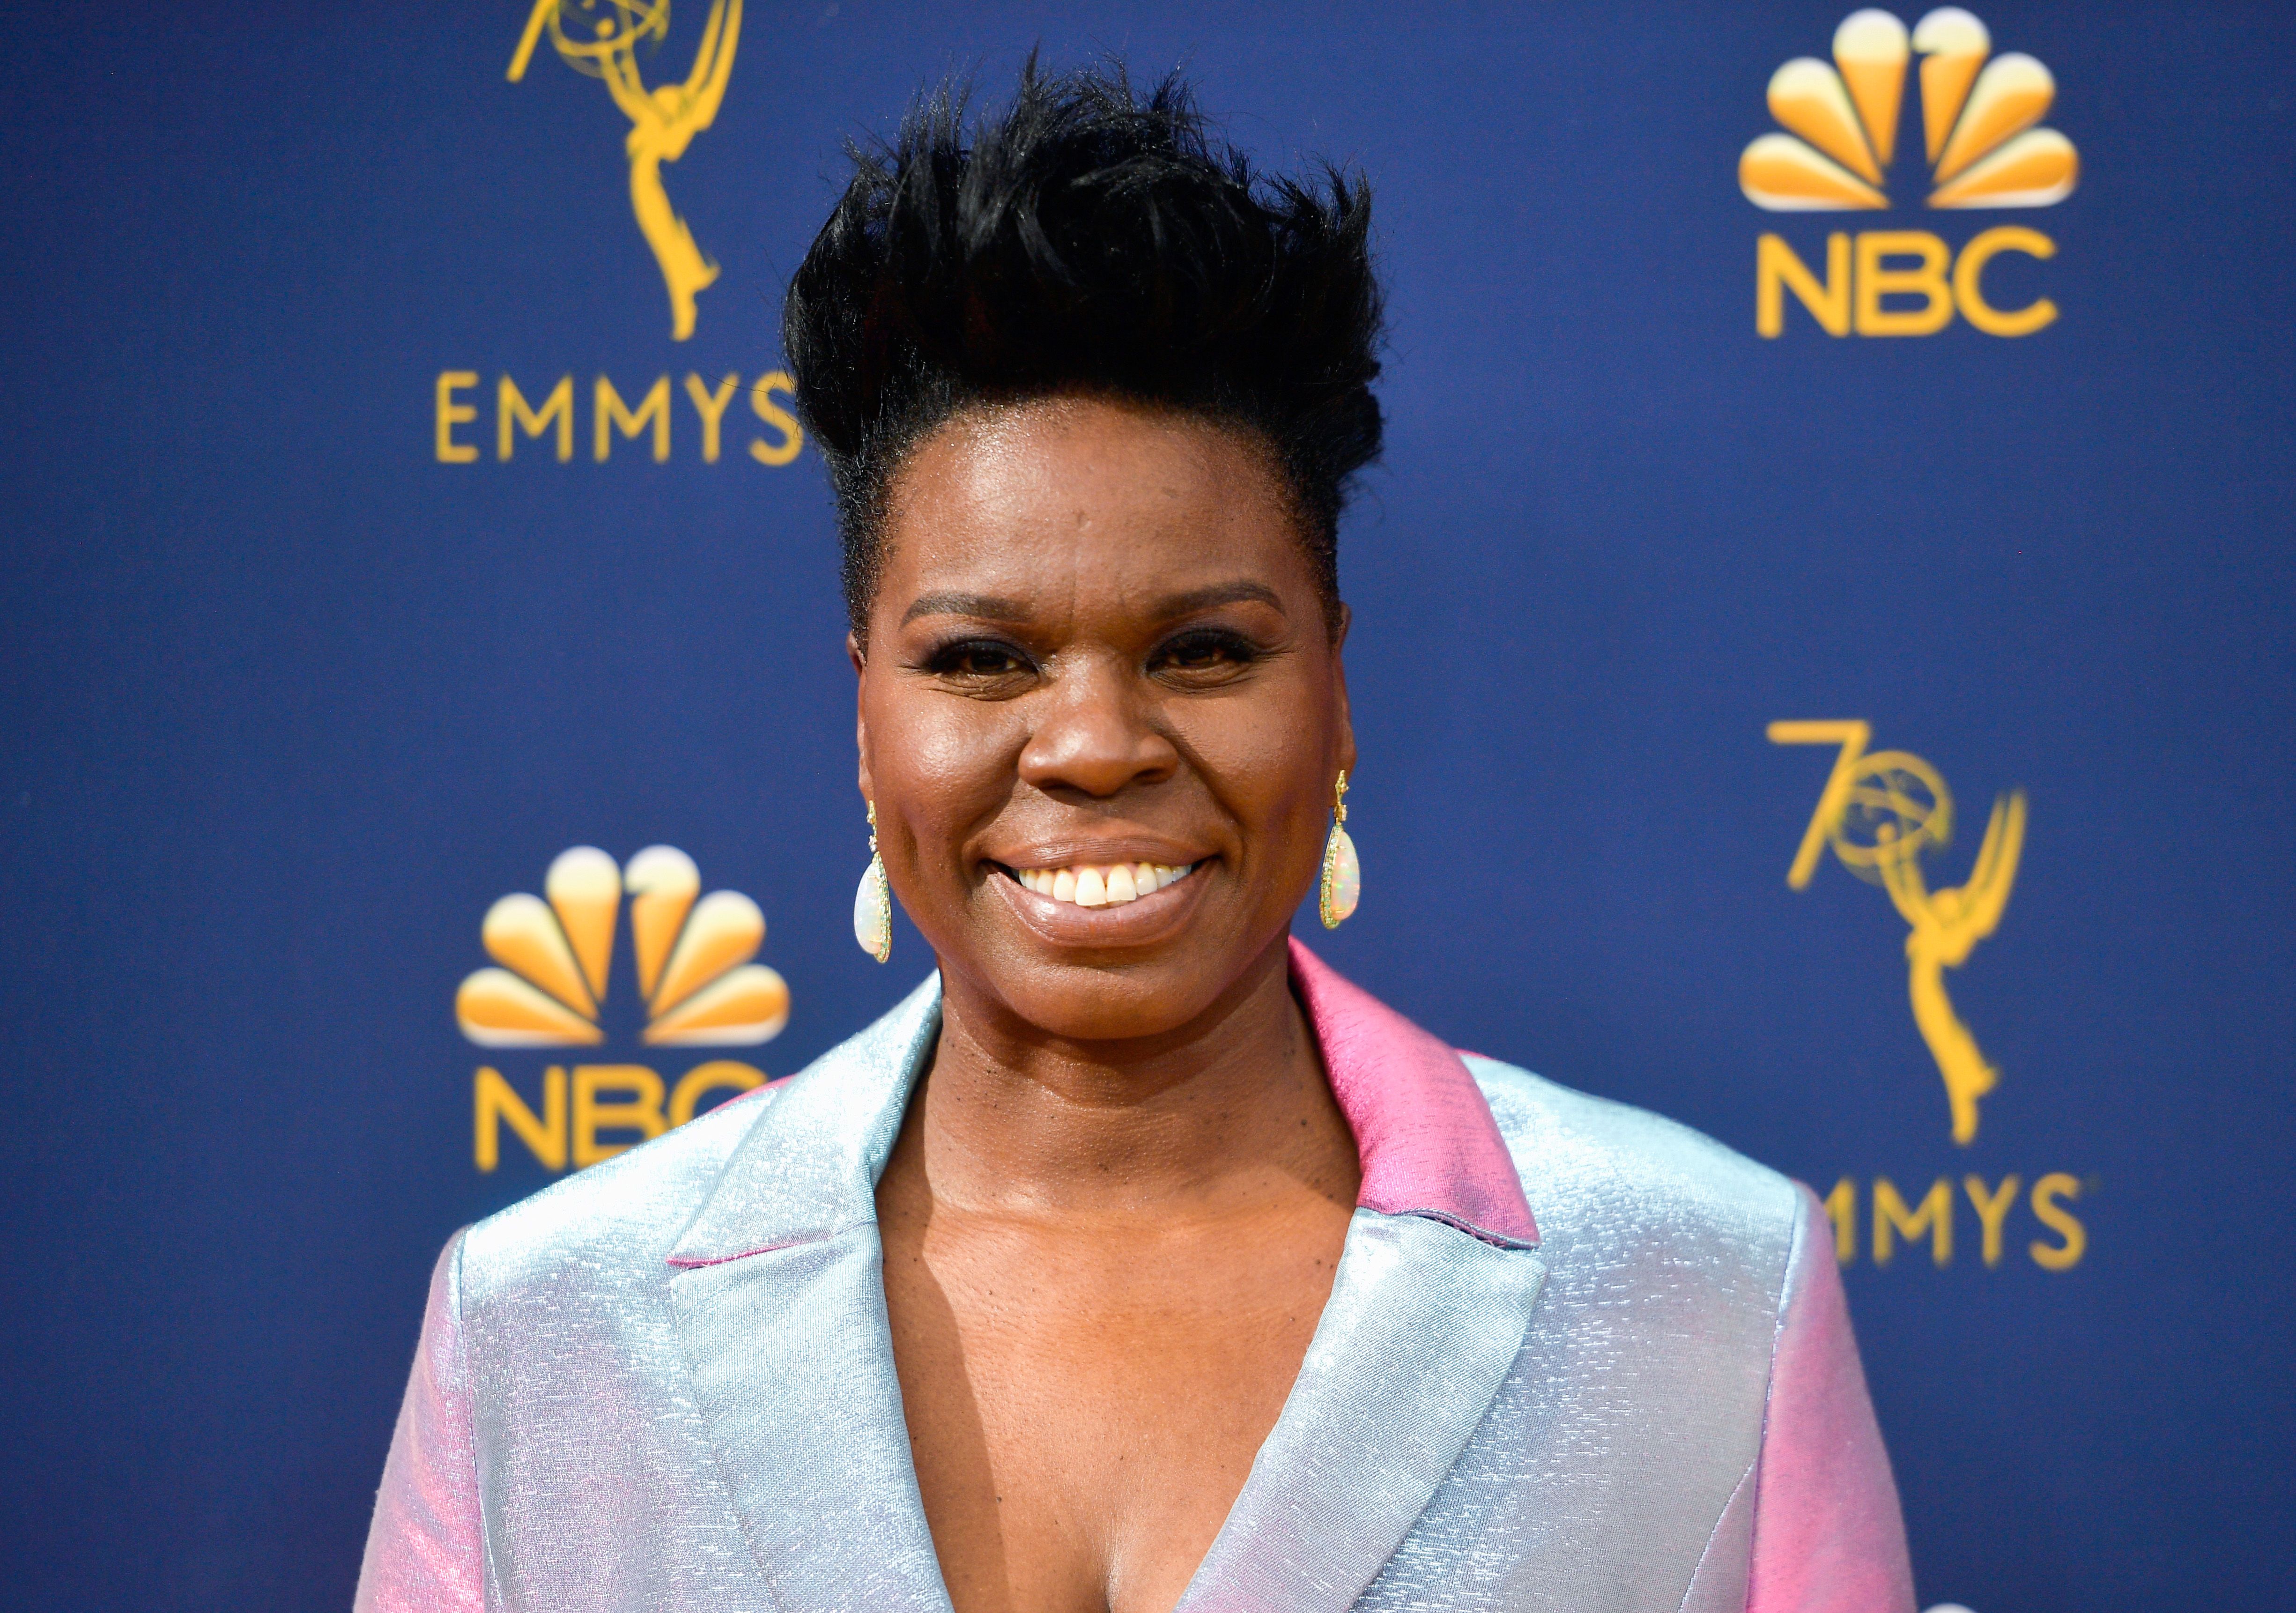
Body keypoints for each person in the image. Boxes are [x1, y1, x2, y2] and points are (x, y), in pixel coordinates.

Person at [356, 62, 1915, 1613]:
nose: (1095, 744)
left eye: (1204, 651)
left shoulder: (1705, 1294)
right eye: (981, 659)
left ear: (1339, 691)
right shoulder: (548, 1334)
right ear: (865, 714)